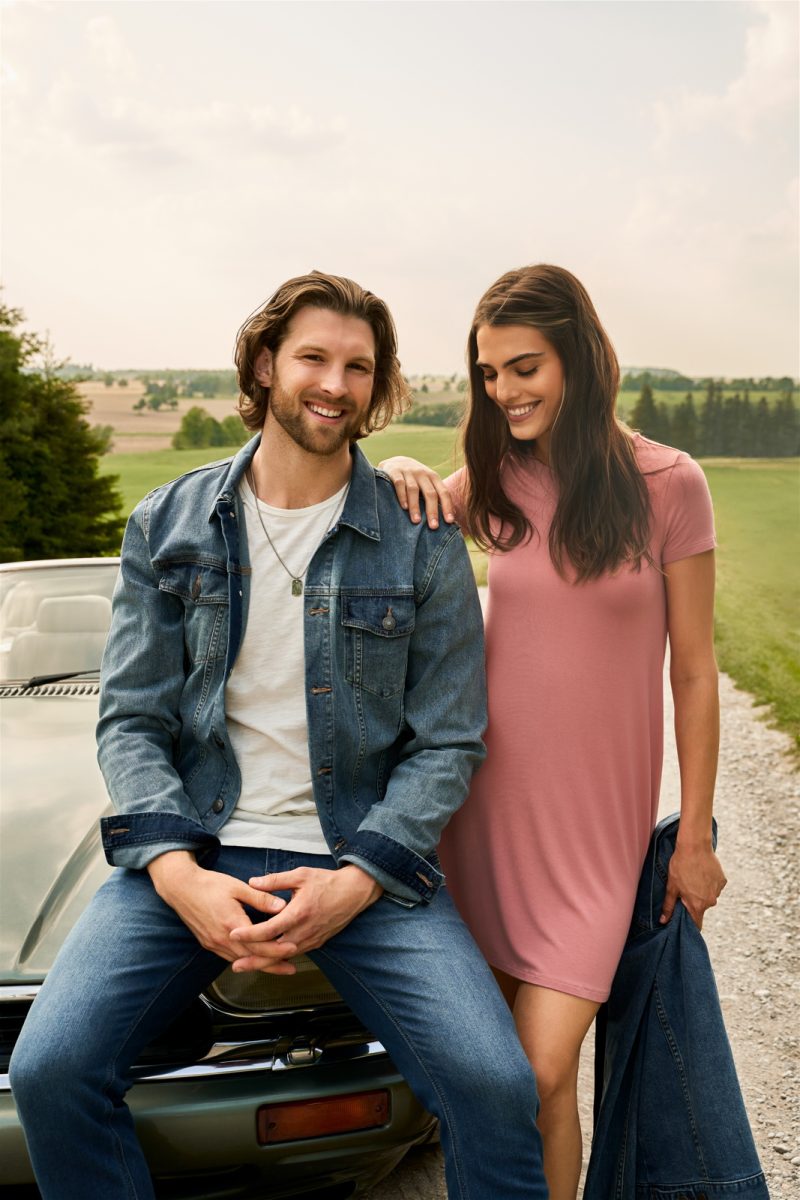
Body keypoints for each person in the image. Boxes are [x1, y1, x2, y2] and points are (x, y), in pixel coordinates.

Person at [9, 271, 548, 1200]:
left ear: (377, 389)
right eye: (313, 357)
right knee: (52, 1071)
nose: (334, 384)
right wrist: (178, 876)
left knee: (496, 1085)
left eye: (358, 367)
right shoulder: (168, 522)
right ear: (266, 364)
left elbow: (448, 740)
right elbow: (132, 720)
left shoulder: (420, 539)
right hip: (198, 845)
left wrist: (356, 884)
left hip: (362, 860)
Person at [380, 263, 727, 1200]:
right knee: (518, 1090)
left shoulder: (670, 485)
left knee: (533, 1070)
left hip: (596, 842)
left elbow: (693, 672)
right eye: (489, 374)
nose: (505, 391)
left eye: (524, 366)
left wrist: (693, 834)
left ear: (579, 353)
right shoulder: (492, 479)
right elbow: (395, 514)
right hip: (485, 817)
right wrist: (404, 468)